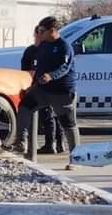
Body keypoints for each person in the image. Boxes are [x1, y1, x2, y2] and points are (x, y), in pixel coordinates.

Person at [13, 17, 79, 156]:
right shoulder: (43, 46)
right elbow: (39, 66)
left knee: (68, 124)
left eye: (42, 31)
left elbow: (64, 67)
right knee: (25, 106)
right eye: (38, 30)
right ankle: (20, 142)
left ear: (52, 30)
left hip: (62, 92)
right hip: (42, 89)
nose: (40, 33)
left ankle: (76, 156)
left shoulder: (64, 46)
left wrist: (51, 76)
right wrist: (33, 85)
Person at [20, 25, 65, 154]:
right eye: (38, 34)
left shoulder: (52, 49)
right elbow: (25, 70)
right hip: (36, 85)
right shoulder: (30, 51)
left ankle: (54, 143)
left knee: (52, 115)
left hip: (52, 85)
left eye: (42, 33)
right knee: (45, 115)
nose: (39, 37)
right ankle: (50, 143)